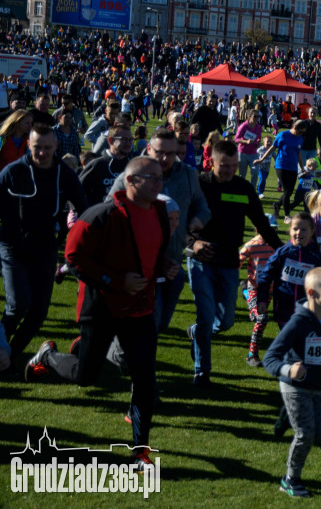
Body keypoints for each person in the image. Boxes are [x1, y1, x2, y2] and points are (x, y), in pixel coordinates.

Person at [24, 157, 171, 472]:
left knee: (145, 382)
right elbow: (73, 258)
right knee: (85, 377)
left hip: (140, 309)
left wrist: (163, 268)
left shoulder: (158, 211)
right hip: (102, 308)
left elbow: (150, 253)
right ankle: (48, 356)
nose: (160, 183)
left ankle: (139, 453)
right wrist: (116, 281)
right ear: (131, 181)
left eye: (162, 177)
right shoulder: (99, 215)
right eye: (153, 177)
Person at [186, 139, 283, 387]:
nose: (229, 170)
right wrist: (192, 244)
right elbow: (179, 222)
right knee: (206, 316)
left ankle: (197, 333)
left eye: (233, 165)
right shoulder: (198, 185)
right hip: (201, 260)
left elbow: (261, 223)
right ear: (211, 162)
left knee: (226, 321)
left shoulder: (244, 188)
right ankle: (202, 373)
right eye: (224, 166)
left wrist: (285, 250)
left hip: (230, 261)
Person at [108, 127, 210, 333]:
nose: (165, 158)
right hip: (139, 266)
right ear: (148, 148)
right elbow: (108, 210)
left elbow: (202, 206)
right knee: (147, 325)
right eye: (159, 152)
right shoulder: (132, 174)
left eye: (171, 153)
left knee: (161, 324)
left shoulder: (188, 175)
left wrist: (197, 220)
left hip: (173, 264)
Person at [0, 124, 87, 364]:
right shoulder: (12, 172)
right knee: (18, 304)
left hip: (45, 248)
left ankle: (12, 356)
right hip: (12, 246)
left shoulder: (64, 173)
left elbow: (83, 207)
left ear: (56, 146)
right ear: (29, 145)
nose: (42, 153)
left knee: (38, 313)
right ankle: (1, 349)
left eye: (48, 148)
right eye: (37, 147)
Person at [262, 267, 321, 498]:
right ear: (311, 292)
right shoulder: (298, 322)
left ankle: (287, 415)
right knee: (305, 434)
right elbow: (270, 358)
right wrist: (290, 369)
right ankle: (290, 479)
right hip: (295, 386)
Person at [258, 214, 321, 328]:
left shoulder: (316, 257)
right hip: (283, 308)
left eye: (303, 230)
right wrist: (261, 300)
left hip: (306, 308)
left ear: (312, 232)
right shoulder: (282, 253)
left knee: (300, 342)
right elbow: (265, 276)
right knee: (288, 341)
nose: (299, 233)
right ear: (290, 231)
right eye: (295, 229)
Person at [239, 233, 276, 368]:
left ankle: (245, 293)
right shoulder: (251, 245)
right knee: (262, 318)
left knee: (257, 317)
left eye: (273, 228)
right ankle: (252, 355)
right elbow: (237, 260)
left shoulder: (276, 244)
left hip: (270, 290)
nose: (271, 230)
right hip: (255, 288)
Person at [268, 119, 307, 223]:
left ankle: (277, 205)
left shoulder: (300, 139)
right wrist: (262, 158)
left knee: (289, 192)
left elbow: (298, 153)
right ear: (294, 127)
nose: (301, 134)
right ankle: (287, 215)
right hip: (281, 165)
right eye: (300, 131)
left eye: (303, 132)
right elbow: (273, 147)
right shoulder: (282, 135)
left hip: (293, 167)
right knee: (287, 191)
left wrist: (302, 167)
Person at [234, 110, 263, 182]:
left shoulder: (259, 127)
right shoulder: (243, 126)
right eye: (255, 116)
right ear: (249, 117)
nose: (256, 118)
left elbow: (259, 137)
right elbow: (236, 139)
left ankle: (252, 191)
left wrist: (258, 142)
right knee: (242, 175)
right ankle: (241, 191)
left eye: (258, 116)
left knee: (255, 172)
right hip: (243, 153)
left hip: (253, 154)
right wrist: (246, 141)